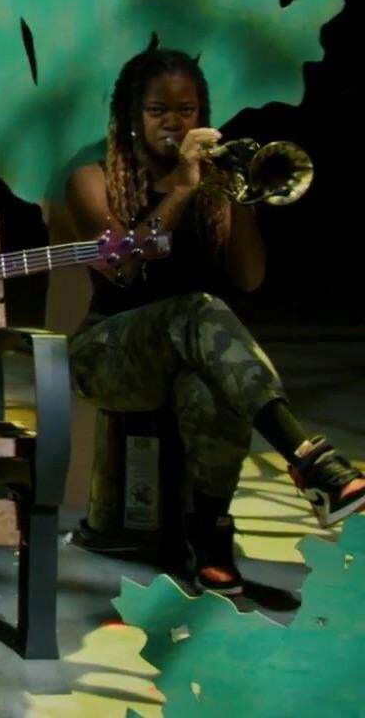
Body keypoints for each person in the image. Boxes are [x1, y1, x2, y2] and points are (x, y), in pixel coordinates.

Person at [64, 47, 362, 595]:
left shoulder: (209, 181)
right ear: (131, 115)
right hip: (107, 353)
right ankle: (309, 460)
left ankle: (209, 537)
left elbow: (249, 278)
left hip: (193, 348)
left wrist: (236, 191)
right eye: (158, 111)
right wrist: (180, 187)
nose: (174, 124)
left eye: (187, 111)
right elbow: (122, 268)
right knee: (197, 308)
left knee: (211, 383)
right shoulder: (91, 177)